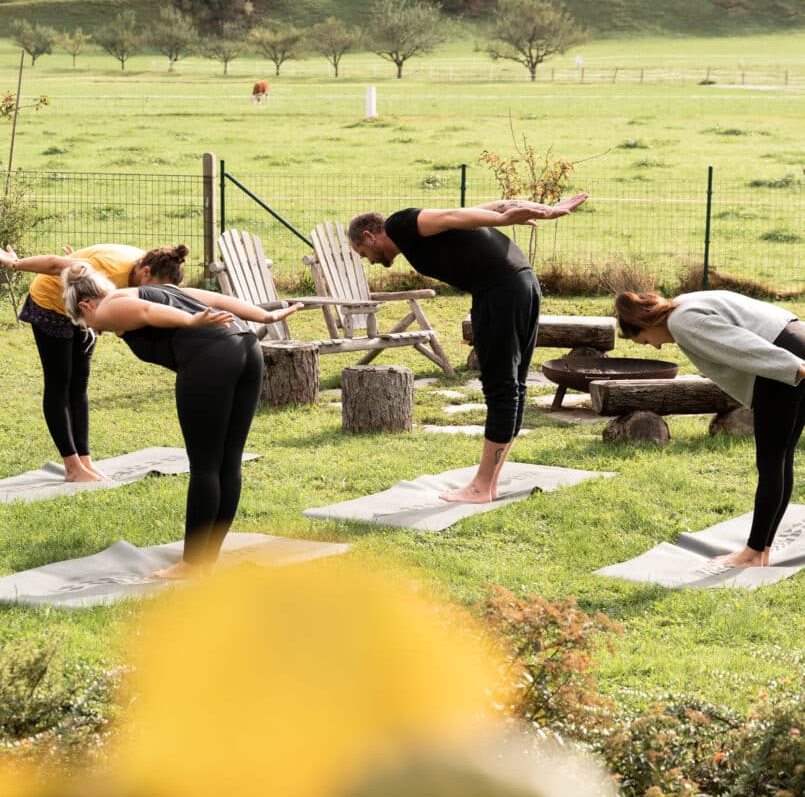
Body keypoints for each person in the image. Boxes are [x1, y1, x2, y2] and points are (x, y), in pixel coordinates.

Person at [62, 261, 303, 581]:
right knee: (228, 463)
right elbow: (214, 298)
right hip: (246, 346)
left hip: (211, 356)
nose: (96, 329)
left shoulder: (108, 307)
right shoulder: (162, 289)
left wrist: (190, 321)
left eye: (86, 323)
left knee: (205, 465)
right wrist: (263, 316)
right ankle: (206, 559)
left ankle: (192, 564)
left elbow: (147, 314)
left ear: (85, 305)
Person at [347, 194, 589, 503]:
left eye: (362, 251)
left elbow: (450, 215)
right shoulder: (410, 236)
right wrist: (544, 210)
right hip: (519, 282)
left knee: (501, 385)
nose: (368, 260)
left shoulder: (399, 225)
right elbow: (484, 208)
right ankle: (488, 484)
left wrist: (505, 219)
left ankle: (481, 487)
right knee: (513, 383)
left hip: (501, 289)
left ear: (369, 235)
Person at [615, 289, 805, 569]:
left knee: (771, 461)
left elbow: (740, 344)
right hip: (795, 339)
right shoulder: (684, 302)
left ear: (645, 324)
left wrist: (795, 367)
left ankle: (753, 554)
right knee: (781, 455)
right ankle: (761, 549)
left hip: (782, 361)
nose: (655, 347)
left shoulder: (681, 322)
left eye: (644, 341)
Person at [0, 243, 189, 483]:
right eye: (156, 287)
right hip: (51, 302)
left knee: (79, 385)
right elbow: (54, 263)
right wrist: (14, 263)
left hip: (86, 307)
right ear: (146, 272)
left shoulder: (147, 266)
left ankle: (85, 461)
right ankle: (72, 467)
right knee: (60, 384)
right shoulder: (109, 271)